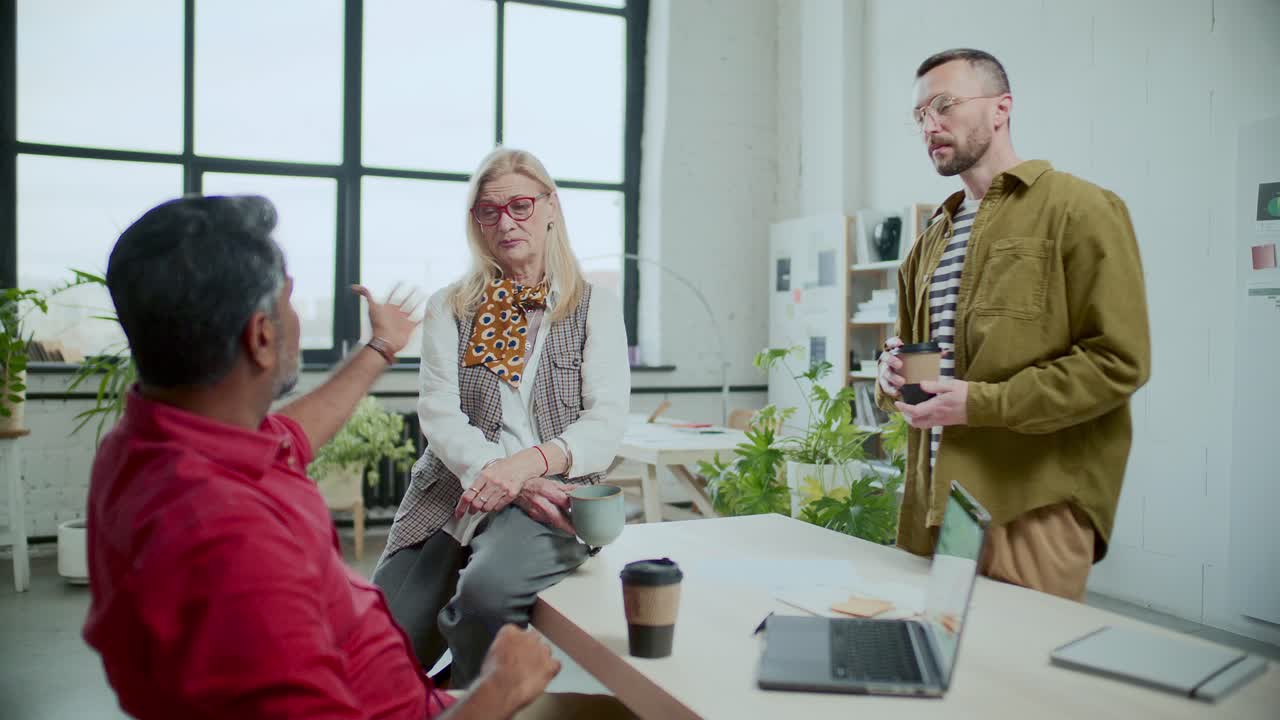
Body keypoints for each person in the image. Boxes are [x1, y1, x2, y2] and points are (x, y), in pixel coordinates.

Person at [82, 195, 563, 719]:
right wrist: (498, 688)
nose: (294, 311)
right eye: (287, 298)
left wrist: (379, 347)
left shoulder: (156, 441)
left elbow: (289, 431)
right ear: (261, 336)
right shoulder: (233, 547)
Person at [876, 49, 1151, 601]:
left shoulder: (1082, 208)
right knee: (946, 677)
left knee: (1021, 681)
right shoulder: (930, 240)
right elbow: (922, 366)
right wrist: (892, 377)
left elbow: (1118, 363)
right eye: (919, 117)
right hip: (936, 506)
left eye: (945, 105)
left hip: (1032, 507)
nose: (930, 125)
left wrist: (979, 403)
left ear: (1001, 108)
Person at [373, 147, 630, 687]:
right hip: (455, 493)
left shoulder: (595, 306)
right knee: (380, 643)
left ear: (550, 206)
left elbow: (604, 423)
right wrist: (503, 475)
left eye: (519, 205)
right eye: (488, 212)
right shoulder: (452, 304)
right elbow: (439, 410)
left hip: (553, 498)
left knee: (484, 598)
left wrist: (526, 468)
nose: (505, 222)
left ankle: (467, 701)